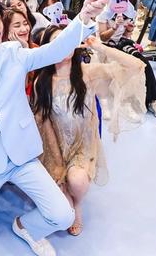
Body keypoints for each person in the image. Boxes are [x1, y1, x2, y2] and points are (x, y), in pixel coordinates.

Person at [0, 0, 106, 255]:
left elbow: (55, 50)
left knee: (63, 216)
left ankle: (24, 226)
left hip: (21, 157)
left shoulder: (14, 53)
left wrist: (84, 17)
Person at [31, 30, 146, 236]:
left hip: (82, 148)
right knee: (61, 214)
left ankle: (77, 202)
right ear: (49, 48)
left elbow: (136, 66)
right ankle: (64, 191)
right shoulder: (42, 81)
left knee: (77, 181)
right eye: (57, 41)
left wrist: (99, 47)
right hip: (53, 148)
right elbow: (44, 125)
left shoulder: (88, 73)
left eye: (67, 40)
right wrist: (57, 164)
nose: (64, 45)